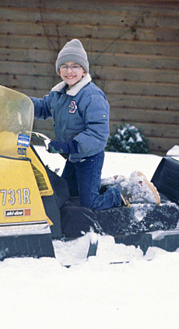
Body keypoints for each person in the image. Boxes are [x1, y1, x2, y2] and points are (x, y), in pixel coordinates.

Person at [30, 39, 159, 211]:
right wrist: (21, 104)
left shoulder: (91, 96)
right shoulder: (59, 94)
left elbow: (97, 134)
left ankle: (126, 191)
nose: (69, 71)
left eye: (75, 66)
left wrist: (69, 146)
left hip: (89, 158)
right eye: (65, 66)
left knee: (89, 204)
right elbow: (44, 107)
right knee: (67, 194)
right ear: (59, 70)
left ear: (83, 70)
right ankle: (103, 185)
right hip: (73, 156)